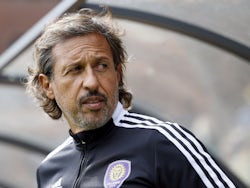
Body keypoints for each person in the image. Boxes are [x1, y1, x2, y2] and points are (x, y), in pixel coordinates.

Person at [26, 7, 237, 188]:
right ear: (48, 86)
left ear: (117, 74)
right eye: (75, 69)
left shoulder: (161, 141)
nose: (91, 82)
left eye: (101, 66)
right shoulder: (49, 170)